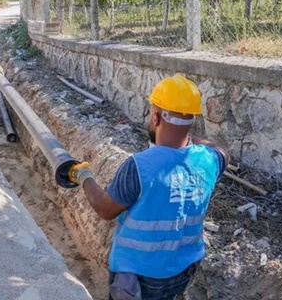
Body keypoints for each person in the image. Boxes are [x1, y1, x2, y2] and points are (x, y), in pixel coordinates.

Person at [69, 74, 230, 300]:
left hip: (138, 276)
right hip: (183, 269)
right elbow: (222, 151)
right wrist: (187, 138)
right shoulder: (210, 160)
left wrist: (84, 175)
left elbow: (105, 209)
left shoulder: (139, 167)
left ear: (156, 118)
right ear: (192, 120)